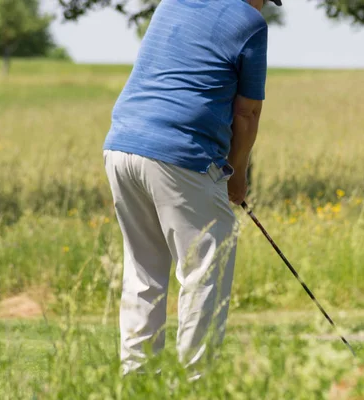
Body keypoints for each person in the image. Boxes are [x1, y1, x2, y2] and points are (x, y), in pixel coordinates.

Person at [103, 0, 282, 376]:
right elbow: (247, 112)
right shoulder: (250, 23)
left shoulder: (172, 2)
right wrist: (237, 173)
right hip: (180, 153)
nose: (263, 5)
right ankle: (194, 383)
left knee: (143, 274)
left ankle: (136, 381)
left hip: (121, 145)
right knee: (205, 271)